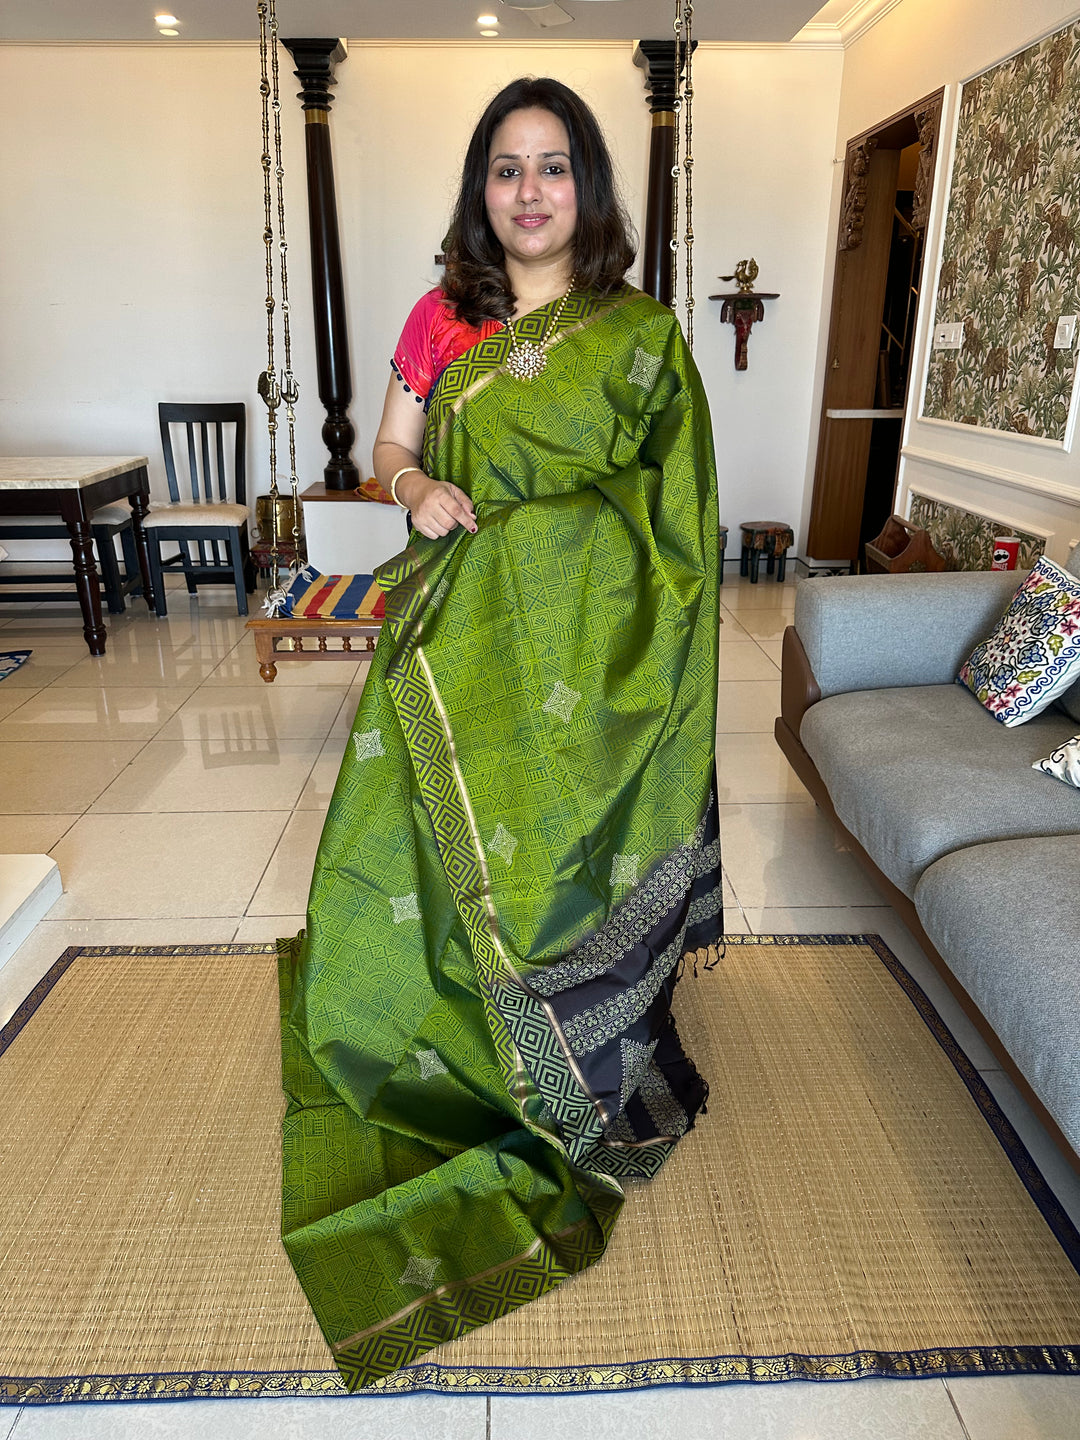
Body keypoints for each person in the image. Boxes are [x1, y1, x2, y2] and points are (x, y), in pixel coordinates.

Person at [279, 76, 722, 1391]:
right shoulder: (443, 317)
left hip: (597, 653)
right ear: (483, 190)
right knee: (429, 861)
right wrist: (413, 489)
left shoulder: (641, 336)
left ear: (588, 185)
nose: (529, 192)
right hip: (461, 645)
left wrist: (564, 547)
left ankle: (583, 1065)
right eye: (505, 170)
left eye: (553, 167)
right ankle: (466, 1053)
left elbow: (677, 515)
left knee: (563, 868)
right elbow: (390, 454)